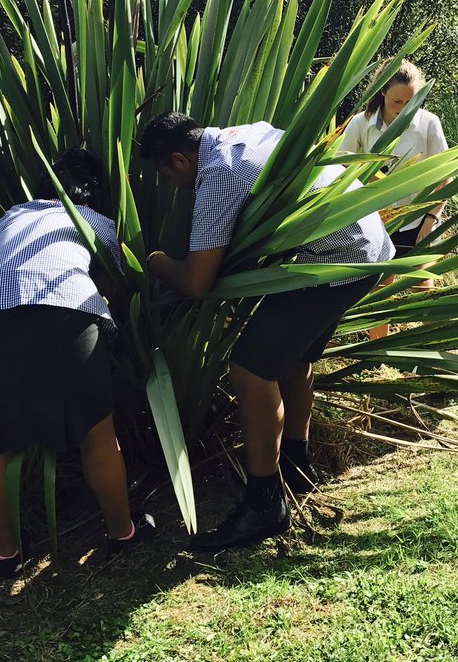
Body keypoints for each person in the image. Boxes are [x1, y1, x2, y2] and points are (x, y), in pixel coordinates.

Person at [139, 113, 395, 551]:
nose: (172, 185)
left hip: (334, 259)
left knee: (251, 371)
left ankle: (264, 505)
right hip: (368, 245)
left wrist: (156, 261)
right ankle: (297, 463)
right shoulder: (246, 133)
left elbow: (197, 283)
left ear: (180, 160)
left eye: (167, 175)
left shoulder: (218, 173)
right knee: (296, 359)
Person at [0, 149, 155, 579]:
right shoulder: (93, 221)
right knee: (96, 434)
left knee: (0, 444)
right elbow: (112, 282)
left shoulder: (9, 218)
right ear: (93, 194)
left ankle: (7, 555)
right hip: (64, 315)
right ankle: (124, 534)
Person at [339, 61, 449, 338]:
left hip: (417, 219)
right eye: (397, 100)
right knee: (380, 286)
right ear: (382, 93)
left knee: (421, 285)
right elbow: (339, 166)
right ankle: (378, 355)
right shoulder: (361, 123)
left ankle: (430, 349)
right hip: (374, 220)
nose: (403, 107)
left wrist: (431, 219)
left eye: (411, 100)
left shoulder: (428, 123)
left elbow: (444, 176)